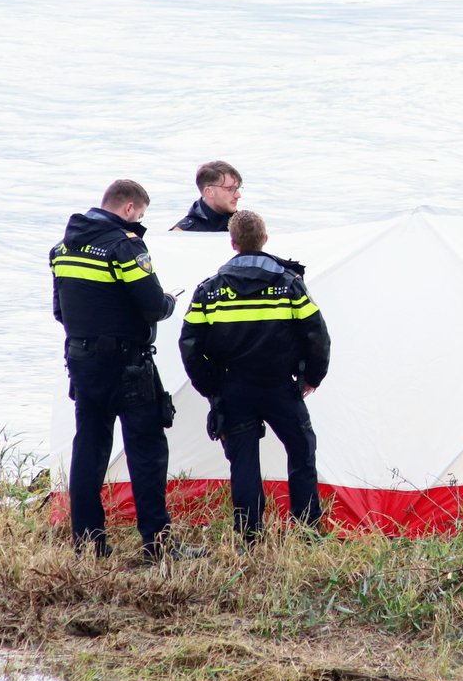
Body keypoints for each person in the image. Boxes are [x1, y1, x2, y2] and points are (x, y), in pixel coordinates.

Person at [50, 179, 184, 562]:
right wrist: (170, 302)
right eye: (140, 215)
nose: (139, 221)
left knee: (89, 448)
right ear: (129, 209)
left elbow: (59, 310)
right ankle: (157, 544)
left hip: (82, 361)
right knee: (147, 450)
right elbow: (152, 305)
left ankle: (89, 542)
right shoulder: (125, 247)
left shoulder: (63, 248)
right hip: (127, 365)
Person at [178, 210, 331, 541]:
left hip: (232, 387)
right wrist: (312, 377)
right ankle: (306, 529)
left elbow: (189, 345)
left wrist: (211, 387)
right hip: (279, 386)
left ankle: (249, 535)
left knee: (243, 462)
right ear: (265, 239)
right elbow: (317, 334)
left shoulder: (210, 290)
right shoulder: (289, 286)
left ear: (232, 243)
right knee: (302, 452)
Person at [171, 161, 241, 232]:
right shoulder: (182, 234)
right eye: (230, 189)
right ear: (209, 192)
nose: (238, 195)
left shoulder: (246, 227)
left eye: (237, 188)